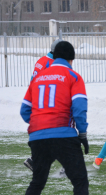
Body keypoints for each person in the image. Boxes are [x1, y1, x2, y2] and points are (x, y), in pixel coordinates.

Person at [20, 41, 89, 195]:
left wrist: (40, 122)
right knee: (80, 182)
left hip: (37, 137)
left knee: (37, 183)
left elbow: (25, 110)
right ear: (71, 59)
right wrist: (82, 133)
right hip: (64, 136)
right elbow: (79, 109)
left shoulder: (37, 78)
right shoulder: (73, 76)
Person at [24, 38, 63, 171]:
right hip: (48, 103)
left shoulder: (42, 60)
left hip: (37, 99)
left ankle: (34, 161)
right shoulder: (54, 63)